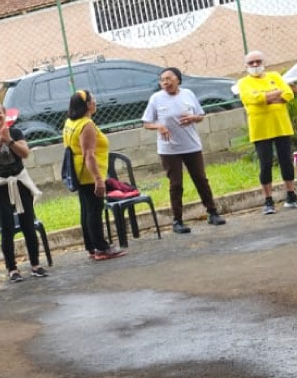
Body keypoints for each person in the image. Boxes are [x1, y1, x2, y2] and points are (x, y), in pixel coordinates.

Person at [142, 67, 227, 234]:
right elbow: (146, 123)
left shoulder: (188, 94)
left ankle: (212, 213)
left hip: (191, 145)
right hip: (169, 149)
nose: (166, 82)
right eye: (162, 80)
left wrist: (194, 118)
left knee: (201, 179)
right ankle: (177, 221)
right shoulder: (156, 98)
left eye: (169, 78)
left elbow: (200, 115)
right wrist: (159, 126)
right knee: (176, 184)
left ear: (178, 80)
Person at [0, 102, 48, 282]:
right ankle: (12, 269)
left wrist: (8, 140)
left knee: (28, 225)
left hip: (20, 183)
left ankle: (35, 264)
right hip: (1, 186)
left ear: (5, 115)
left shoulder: (16, 133)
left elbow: (25, 153)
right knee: (7, 228)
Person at [62, 89, 125, 262]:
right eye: (93, 100)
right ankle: (101, 248)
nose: (95, 102)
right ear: (88, 105)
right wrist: (98, 179)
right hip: (89, 174)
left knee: (86, 210)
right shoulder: (86, 125)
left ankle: (91, 246)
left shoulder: (70, 122)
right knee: (94, 211)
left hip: (78, 171)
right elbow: (89, 154)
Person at [235, 51, 296, 214]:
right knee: (265, 164)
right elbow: (250, 99)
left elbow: (288, 93)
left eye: (258, 61)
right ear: (246, 66)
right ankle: (268, 200)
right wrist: (275, 94)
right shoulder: (243, 82)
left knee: (286, 161)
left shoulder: (275, 76)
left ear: (264, 62)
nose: (255, 65)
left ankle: (291, 195)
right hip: (260, 128)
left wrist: (264, 97)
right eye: (251, 62)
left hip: (281, 125)